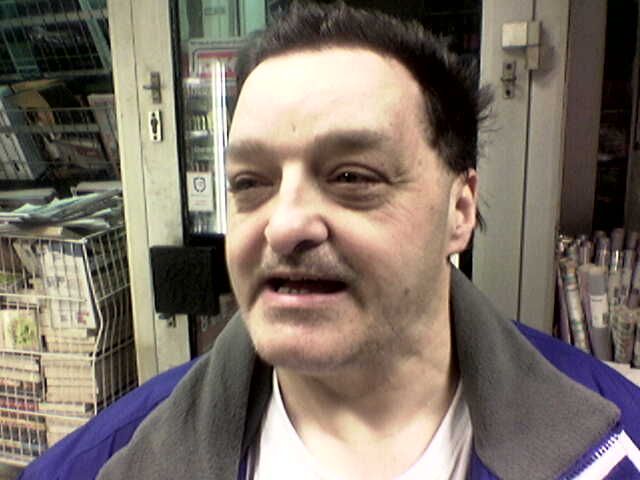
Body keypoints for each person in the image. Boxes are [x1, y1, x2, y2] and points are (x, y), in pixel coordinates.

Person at [20, 3, 640, 479]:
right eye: (250, 183)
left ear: (459, 209)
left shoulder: (616, 443)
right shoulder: (106, 464)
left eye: (351, 177)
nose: (284, 225)